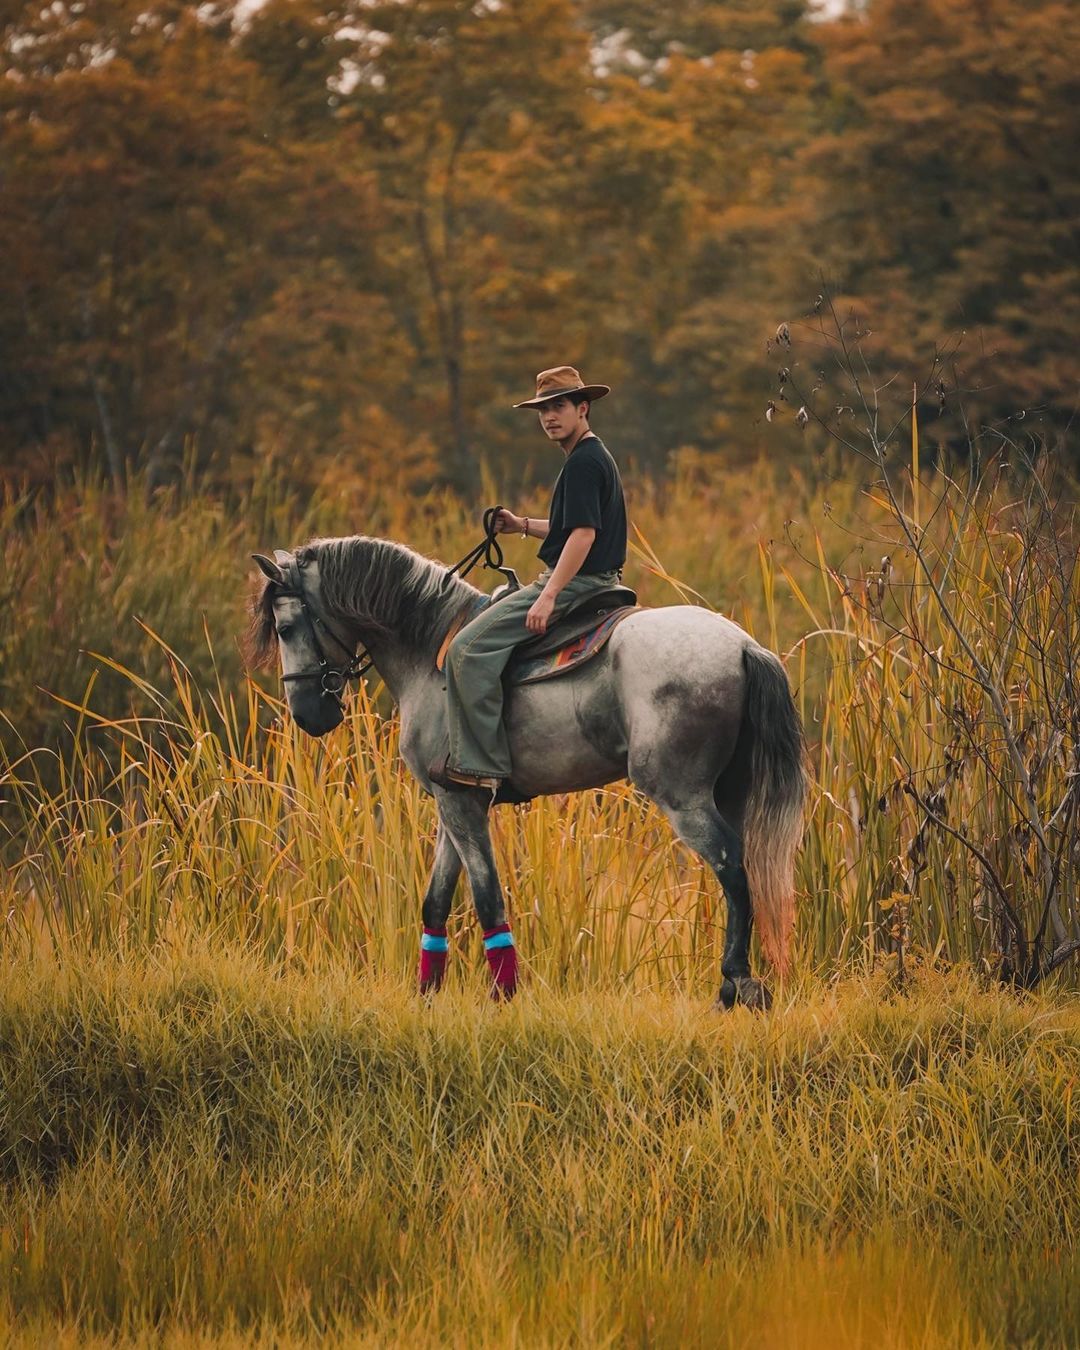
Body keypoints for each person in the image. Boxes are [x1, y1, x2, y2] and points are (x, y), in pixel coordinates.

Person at [430, 365, 628, 793]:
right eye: (543, 411)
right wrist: (520, 524)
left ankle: (481, 766)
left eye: (559, 407)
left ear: (583, 407)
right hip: (599, 578)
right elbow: (567, 526)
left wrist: (549, 595)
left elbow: (583, 534)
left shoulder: (583, 463)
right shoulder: (592, 456)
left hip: (578, 583)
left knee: (465, 649)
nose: (550, 417)